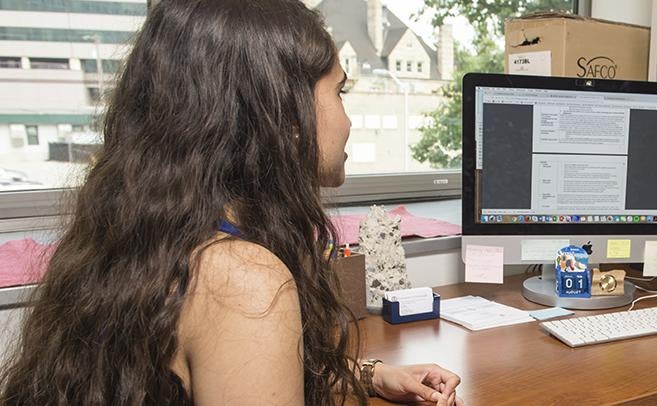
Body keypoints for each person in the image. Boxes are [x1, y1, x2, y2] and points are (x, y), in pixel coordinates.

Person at [0, 1, 462, 405]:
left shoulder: (155, 238)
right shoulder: (242, 281)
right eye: (339, 92)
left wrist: (372, 374)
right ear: (285, 115)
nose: (348, 120)